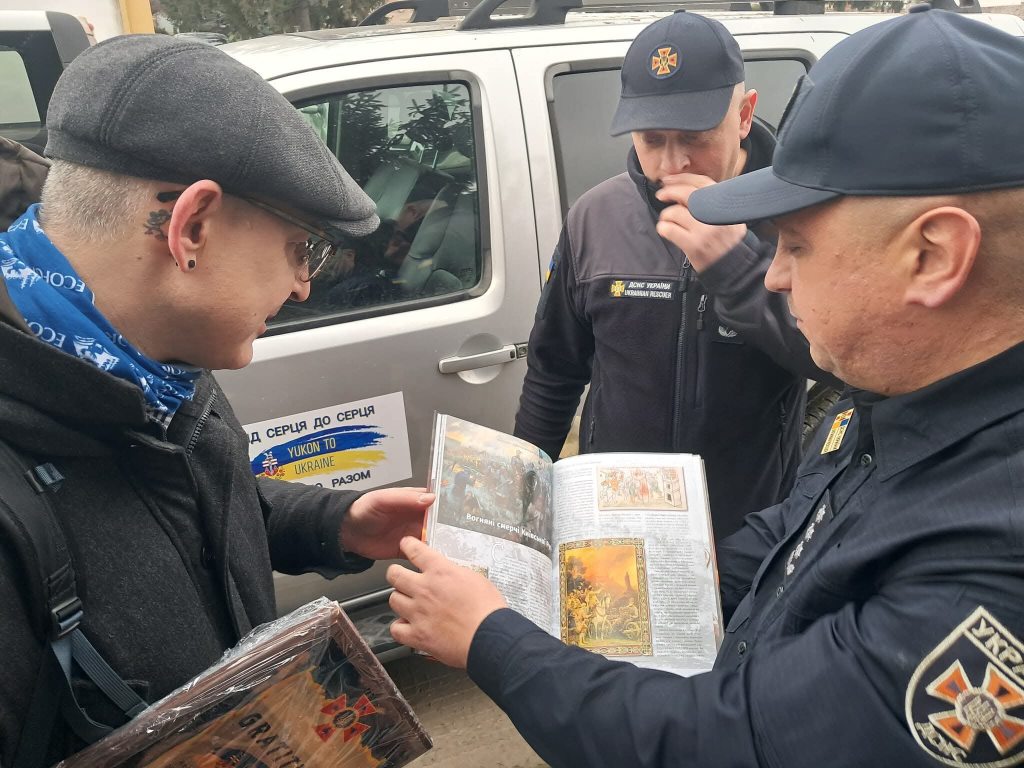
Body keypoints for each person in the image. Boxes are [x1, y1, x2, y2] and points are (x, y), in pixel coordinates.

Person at [387, 7, 1024, 767]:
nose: (778, 274)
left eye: (796, 246)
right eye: (650, 138)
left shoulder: (987, 553)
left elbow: (725, 739)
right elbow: (799, 536)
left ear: (935, 255)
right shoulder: (892, 404)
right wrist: (642, 581)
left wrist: (494, 642)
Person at [0, 35, 435, 766]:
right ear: (193, 227)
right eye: (303, 248)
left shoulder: (154, 356)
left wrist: (335, 523)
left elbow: (185, 502)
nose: (303, 287)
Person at [514, 10, 820, 541]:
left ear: (744, 115)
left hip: (747, 534)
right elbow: (554, 371)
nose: (671, 164)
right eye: (652, 138)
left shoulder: (795, 218)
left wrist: (737, 268)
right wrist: (523, 503)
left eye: (695, 137)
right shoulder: (595, 216)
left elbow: (838, 366)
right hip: (616, 528)